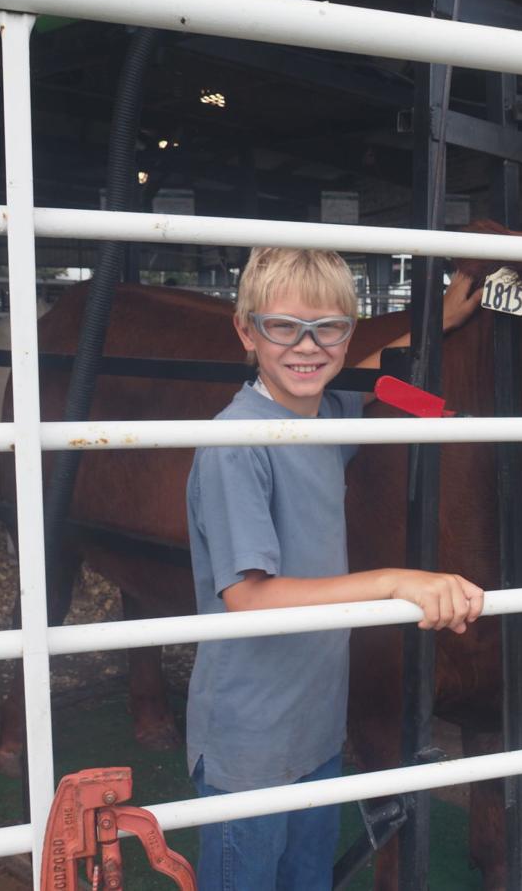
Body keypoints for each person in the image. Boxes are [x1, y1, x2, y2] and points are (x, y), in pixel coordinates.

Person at [186, 247, 485, 890]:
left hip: (316, 728)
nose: (308, 346)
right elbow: (248, 598)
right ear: (246, 330)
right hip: (251, 740)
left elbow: (370, 375)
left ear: (348, 334)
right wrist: (392, 580)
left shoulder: (322, 415)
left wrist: (440, 321)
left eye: (330, 328)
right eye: (283, 327)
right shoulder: (234, 446)